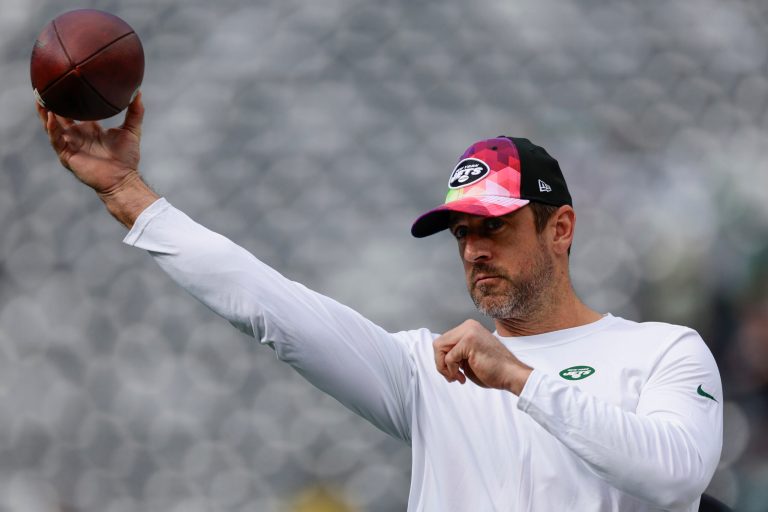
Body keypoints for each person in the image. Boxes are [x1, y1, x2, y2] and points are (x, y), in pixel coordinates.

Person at [36, 95, 723, 511]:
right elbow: (267, 305)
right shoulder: (429, 372)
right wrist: (126, 192)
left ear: (561, 229)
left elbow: (673, 474)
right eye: (462, 233)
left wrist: (519, 377)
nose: (474, 249)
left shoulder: (662, 351)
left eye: (495, 227)